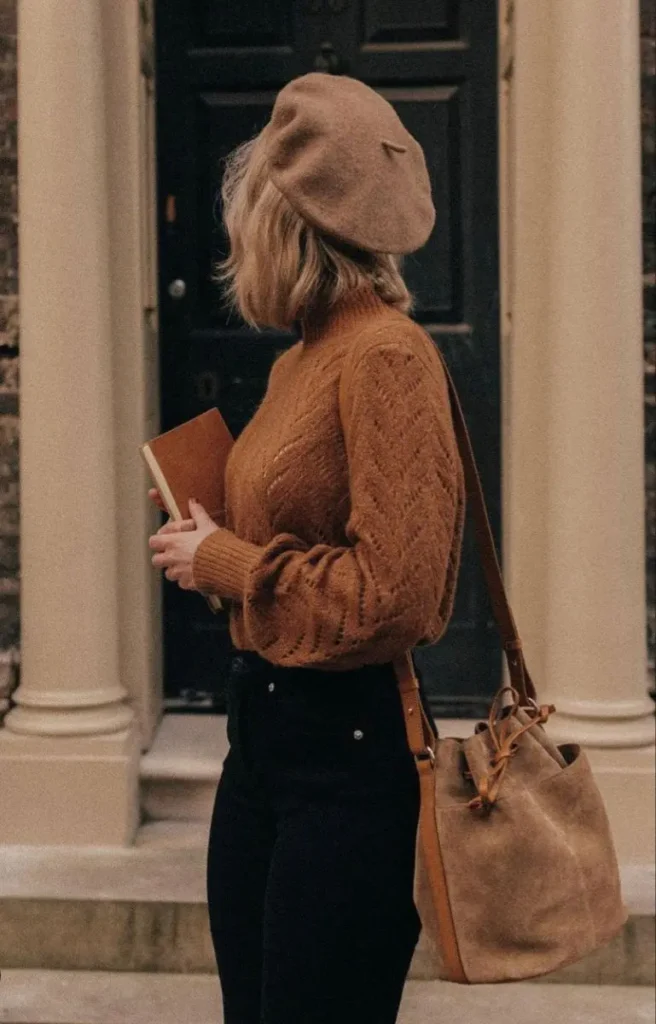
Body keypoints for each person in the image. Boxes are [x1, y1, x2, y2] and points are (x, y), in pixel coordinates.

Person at [148, 72, 466, 1024]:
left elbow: (399, 597)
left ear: (283, 228)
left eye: (245, 219)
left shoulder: (385, 355)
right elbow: (298, 531)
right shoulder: (301, 356)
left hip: (348, 757)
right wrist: (208, 533)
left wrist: (229, 565)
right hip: (264, 743)